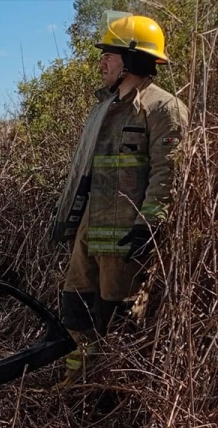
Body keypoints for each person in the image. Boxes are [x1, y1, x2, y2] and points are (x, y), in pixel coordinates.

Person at [50, 12, 189, 388]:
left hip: (127, 239)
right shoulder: (103, 107)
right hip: (89, 230)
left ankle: (114, 391)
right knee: (76, 309)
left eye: (109, 54)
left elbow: (167, 173)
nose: (102, 62)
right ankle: (77, 382)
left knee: (120, 318)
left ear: (131, 59)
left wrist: (150, 224)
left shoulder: (164, 109)